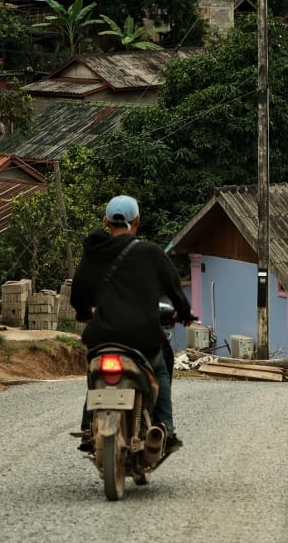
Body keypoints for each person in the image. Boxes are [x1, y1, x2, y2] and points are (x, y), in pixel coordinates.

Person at [70, 194, 196, 456]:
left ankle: (87, 424)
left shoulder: (94, 254)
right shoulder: (150, 252)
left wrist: (84, 313)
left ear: (106, 221)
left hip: (101, 336)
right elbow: (175, 289)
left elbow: (78, 293)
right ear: (137, 220)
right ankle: (165, 428)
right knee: (161, 368)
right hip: (143, 336)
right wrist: (183, 313)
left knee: (96, 373)